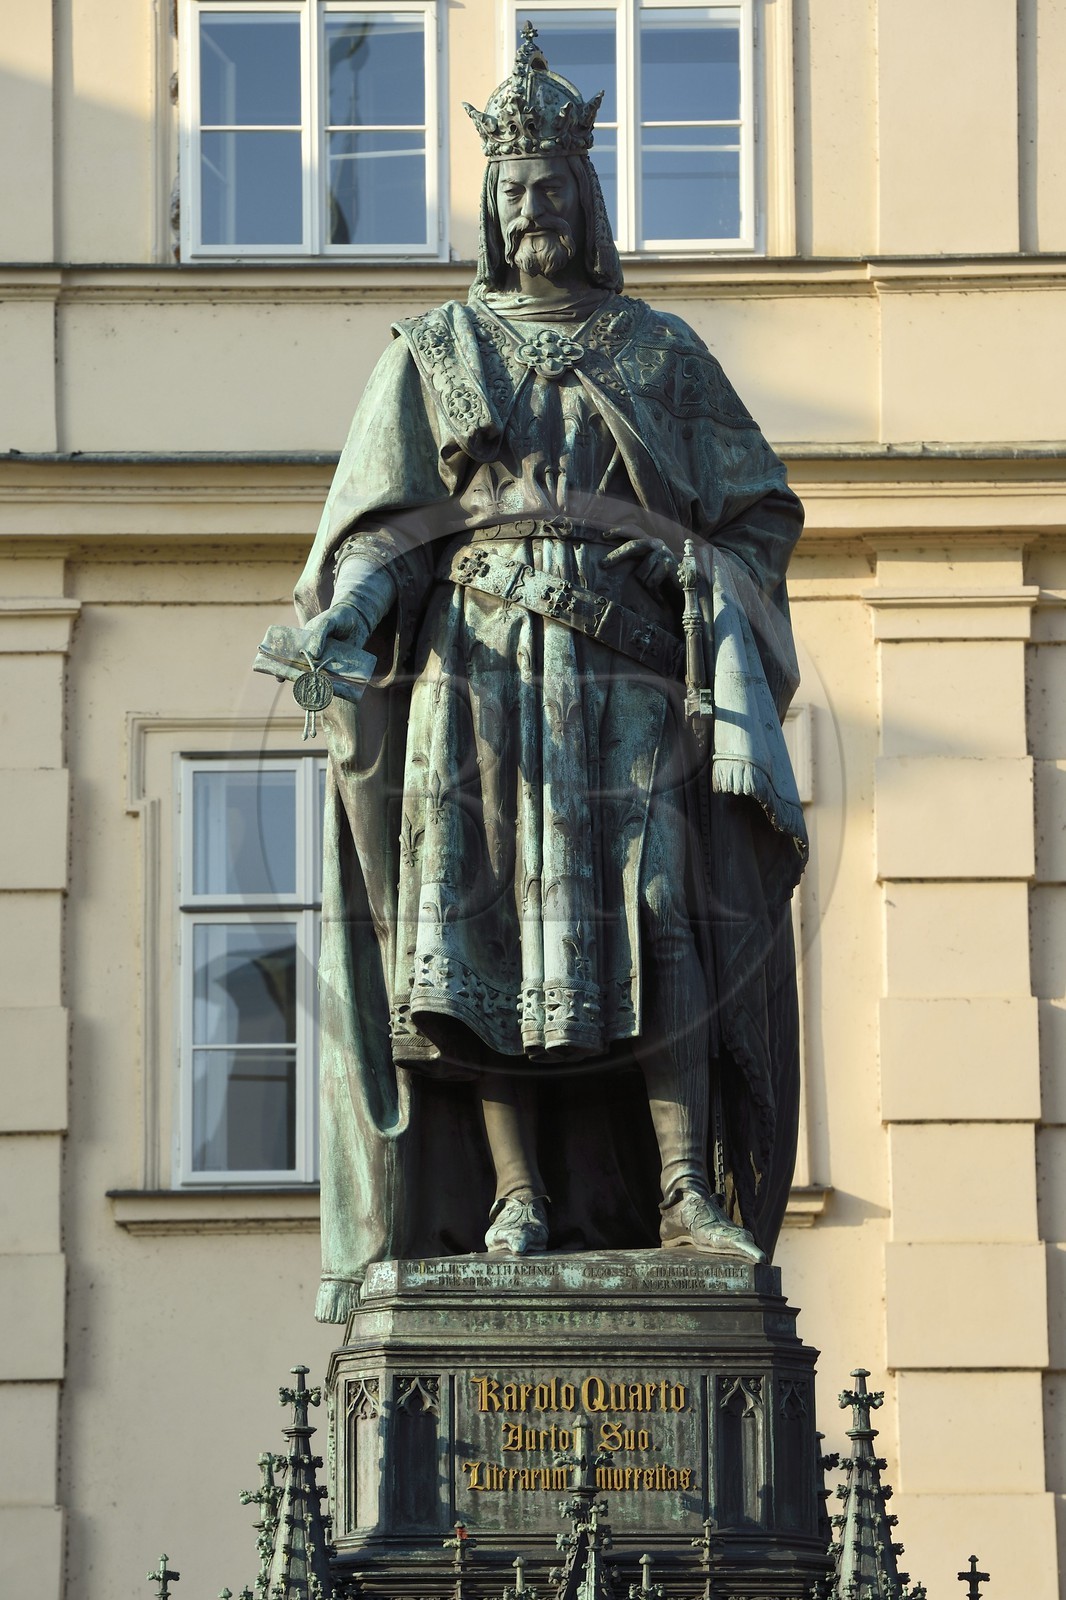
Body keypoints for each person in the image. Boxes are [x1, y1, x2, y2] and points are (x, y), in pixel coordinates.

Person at [294, 28, 808, 1323]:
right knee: (478, 925)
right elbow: (379, 530)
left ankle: (685, 1189)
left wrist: (711, 578)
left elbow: (756, 513)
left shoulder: (662, 352)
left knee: (656, 907)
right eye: (514, 190)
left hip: (625, 664)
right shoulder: (433, 351)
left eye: (554, 189)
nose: (535, 209)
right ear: (489, 205)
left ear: (586, 203)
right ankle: (512, 1197)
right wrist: (353, 604)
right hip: (475, 676)